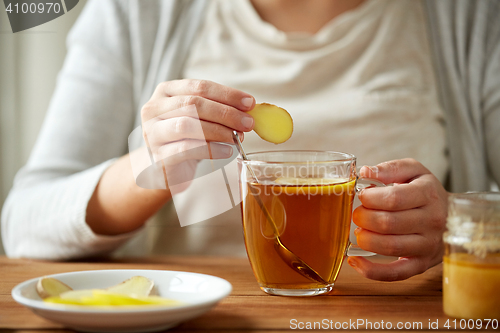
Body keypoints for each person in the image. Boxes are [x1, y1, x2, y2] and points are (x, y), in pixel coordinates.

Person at [2, 0, 499, 282]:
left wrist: (462, 222)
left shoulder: (470, 18)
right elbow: (23, 224)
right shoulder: (136, 11)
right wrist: (151, 165)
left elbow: (472, 222)